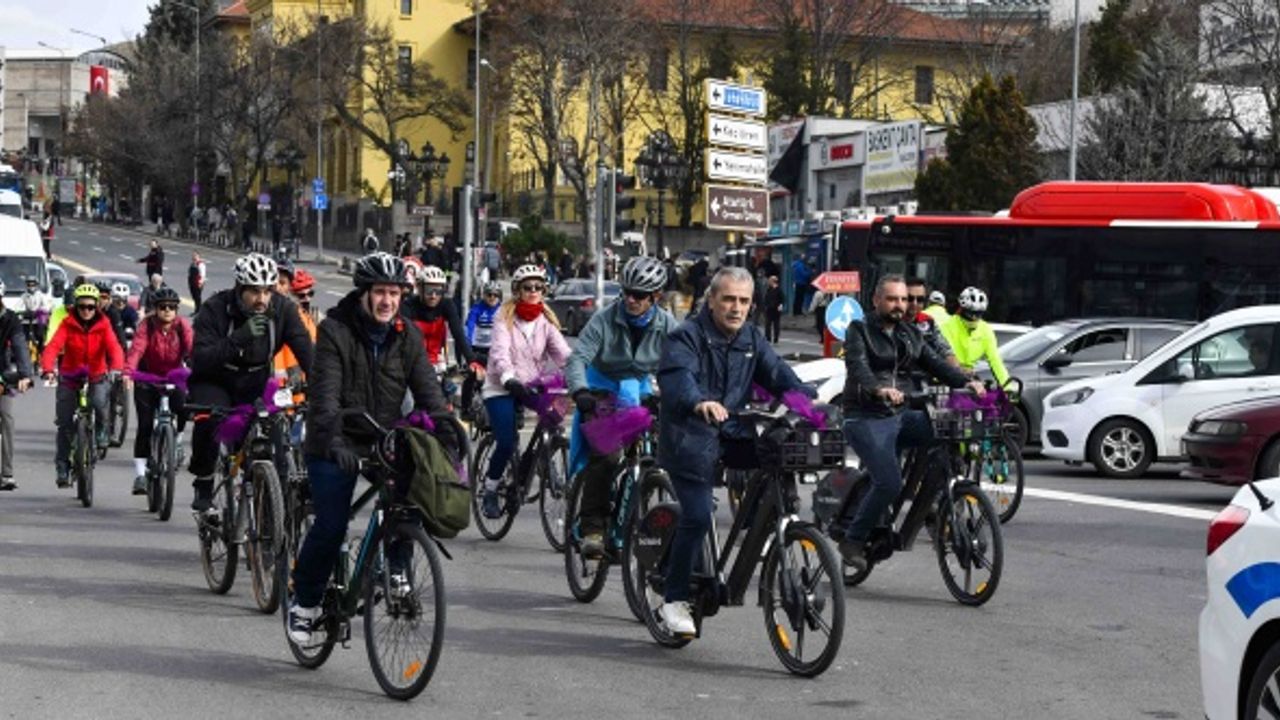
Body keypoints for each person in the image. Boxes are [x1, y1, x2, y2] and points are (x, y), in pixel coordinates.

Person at [286, 252, 459, 645]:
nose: (387, 301)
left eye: (395, 293)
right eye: (380, 292)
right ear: (364, 293)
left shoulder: (407, 335)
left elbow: (428, 390)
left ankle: (397, 571)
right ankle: (305, 602)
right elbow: (325, 394)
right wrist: (332, 440)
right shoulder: (335, 330)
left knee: (411, 494)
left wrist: (447, 428)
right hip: (335, 438)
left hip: (382, 436)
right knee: (332, 523)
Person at [655, 266, 813, 636]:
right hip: (689, 436)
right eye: (728, 299)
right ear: (711, 300)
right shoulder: (686, 337)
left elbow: (780, 376)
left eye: (743, 301)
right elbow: (679, 380)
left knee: (779, 460)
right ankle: (674, 598)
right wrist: (699, 402)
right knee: (696, 515)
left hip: (732, 432)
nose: (736, 308)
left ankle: (773, 528)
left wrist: (810, 405)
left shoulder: (752, 339)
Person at [837, 275, 985, 571]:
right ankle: (852, 539)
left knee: (947, 427)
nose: (899, 305)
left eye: (903, 300)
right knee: (889, 482)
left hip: (901, 414)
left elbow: (936, 363)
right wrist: (878, 390)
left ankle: (934, 497)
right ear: (876, 300)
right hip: (866, 416)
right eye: (892, 299)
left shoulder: (909, 333)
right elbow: (859, 366)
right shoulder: (859, 330)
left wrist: (968, 382)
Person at [565, 256, 676, 558]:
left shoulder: (668, 325)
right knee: (608, 455)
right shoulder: (604, 319)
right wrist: (581, 392)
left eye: (639, 295)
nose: (630, 299)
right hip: (601, 389)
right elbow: (577, 360)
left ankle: (640, 516)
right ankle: (592, 528)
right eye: (626, 291)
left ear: (656, 297)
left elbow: (683, 365)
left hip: (640, 389)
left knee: (662, 453)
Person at [187, 254, 315, 511]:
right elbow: (200, 358)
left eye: (268, 291)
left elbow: (308, 354)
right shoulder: (215, 308)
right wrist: (239, 339)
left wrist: (321, 386)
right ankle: (204, 480)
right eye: (254, 292)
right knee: (209, 420)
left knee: (274, 430)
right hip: (216, 377)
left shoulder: (283, 310)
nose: (262, 299)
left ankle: (270, 493)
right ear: (239, 288)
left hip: (256, 380)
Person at [479, 264, 571, 518]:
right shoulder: (503, 319)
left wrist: (580, 375)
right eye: (528, 287)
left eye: (538, 287)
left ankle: (544, 458)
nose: (533, 291)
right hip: (502, 386)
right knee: (507, 442)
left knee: (554, 416)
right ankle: (490, 489)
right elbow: (499, 353)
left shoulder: (546, 323)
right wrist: (508, 377)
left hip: (530, 386)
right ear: (517, 290)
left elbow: (564, 355)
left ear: (544, 290)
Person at [41, 283, 125, 487]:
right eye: (82, 306)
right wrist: (48, 368)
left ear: (96, 307)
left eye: (90, 307)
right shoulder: (67, 324)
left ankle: (102, 430)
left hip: (96, 374)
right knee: (64, 423)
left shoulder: (104, 324)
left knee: (99, 402)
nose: (86, 311)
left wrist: (116, 367)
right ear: (76, 306)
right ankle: (62, 465)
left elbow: (114, 348)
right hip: (70, 377)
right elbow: (52, 347)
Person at [123, 286, 192, 495]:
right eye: (163, 307)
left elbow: (192, 349)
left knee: (183, 408)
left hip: (174, 376)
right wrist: (128, 372)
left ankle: (177, 440)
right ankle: (141, 475)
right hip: (147, 378)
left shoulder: (182, 326)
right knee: (144, 425)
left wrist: (200, 371)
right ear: (155, 309)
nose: (168, 311)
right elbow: (136, 349)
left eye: (172, 307)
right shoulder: (146, 326)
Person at [402, 265, 478, 375]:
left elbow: (458, 334)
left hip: (437, 362)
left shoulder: (446, 304)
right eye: (429, 291)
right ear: (419, 288)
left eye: (438, 291)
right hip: (412, 362)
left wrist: (471, 360)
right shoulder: (408, 306)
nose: (433, 296)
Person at [938, 286, 1010, 388]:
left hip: (970, 379)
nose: (974, 318)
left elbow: (996, 361)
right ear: (962, 310)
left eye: (978, 314)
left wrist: (1008, 388)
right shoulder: (948, 326)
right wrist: (960, 370)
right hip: (947, 379)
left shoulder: (986, 330)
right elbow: (943, 356)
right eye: (970, 313)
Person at [0, 281, 34, 491]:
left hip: (2, 373)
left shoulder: (11, 319)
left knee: (6, 417)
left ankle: (6, 474)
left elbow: (20, 346)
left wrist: (25, 375)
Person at [462, 281, 502, 415]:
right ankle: (465, 408)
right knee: (471, 377)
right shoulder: (477, 309)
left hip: (495, 351)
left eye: (495, 295)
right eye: (489, 294)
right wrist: (467, 350)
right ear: (484, 295)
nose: (492, 298)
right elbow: (470, 327)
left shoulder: (502, 311)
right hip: (477, 349)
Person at [905, 277, 956, 366]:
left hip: (925, 375)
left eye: (920, 299)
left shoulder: (928, 321)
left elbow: (944, 350)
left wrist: (957, 370)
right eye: (910, 298)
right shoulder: (891, 320)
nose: (915, 303)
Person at [20, 276, 53, 358]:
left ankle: (41, 351)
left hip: (38, 319)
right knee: (23, 337)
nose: (31, 287)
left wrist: (40, 310)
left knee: (41, 335)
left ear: (36, 285)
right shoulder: (24, 296)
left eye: (33, 285)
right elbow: (18, 306)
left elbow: (46, 306)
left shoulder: (40, 295)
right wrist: (21, 311)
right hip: (27, 319)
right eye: (29, 285)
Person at [105, 282, 140, 351]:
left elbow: (137, 326)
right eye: (117, 300)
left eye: (124, 299)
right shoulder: (108, 311)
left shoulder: (130, 311)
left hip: (126, 342)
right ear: (112, 299)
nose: (121, 303)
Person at [763, 275, 783, 343]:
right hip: (769, 309)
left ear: (774, 282)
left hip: (776, 309)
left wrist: (780, 305)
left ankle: (776, 339)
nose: (769, 282)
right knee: (767, 324)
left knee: (776, 325)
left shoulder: (779, 290)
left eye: (770, 281)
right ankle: (768, 338)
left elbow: (782, 299)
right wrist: (766, 305)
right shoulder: (769, 289)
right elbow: (766, 298)